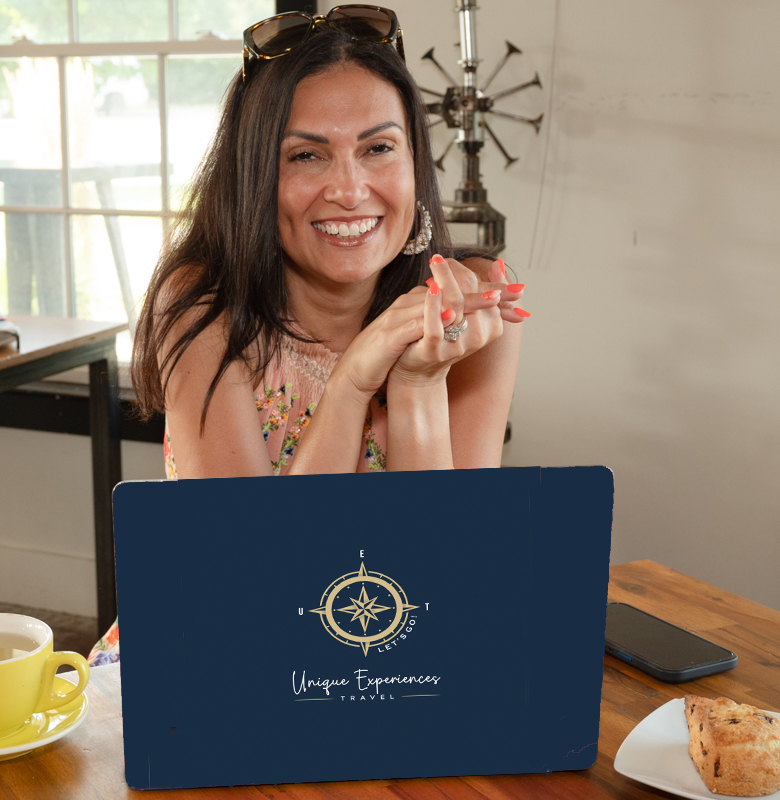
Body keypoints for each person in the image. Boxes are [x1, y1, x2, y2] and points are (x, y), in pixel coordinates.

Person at [87, 6, 529, 666]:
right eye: (305, 155)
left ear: (415, 163)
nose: (350, 190)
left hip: (385, 663)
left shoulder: (472, 303)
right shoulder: (200, 306)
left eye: (379, 148)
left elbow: (444, 584)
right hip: (210, 657)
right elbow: (259, 593)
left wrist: (415, 384)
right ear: (254, 177)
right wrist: (353, 383)